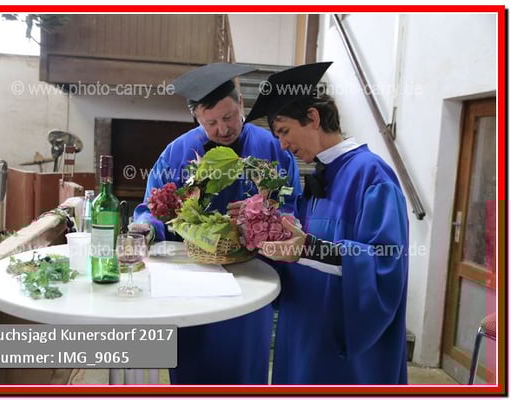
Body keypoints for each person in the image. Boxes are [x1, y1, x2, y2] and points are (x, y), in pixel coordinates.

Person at [132, 63, 302, 384]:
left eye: (229, 117)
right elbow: (151, 208)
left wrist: (263, 212)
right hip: (191, 278)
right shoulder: (178, 152)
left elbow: (292, 210)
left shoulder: (272, 148)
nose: (222, 129)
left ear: (241, 103)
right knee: (193, 368)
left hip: (251, 277)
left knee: (243, 370)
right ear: (196, 118)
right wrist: (147, 227)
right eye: (210, 123)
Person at [245, 62, 409, 384]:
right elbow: (302, 243)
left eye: (284, 131)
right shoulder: (321, 175)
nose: (282, 146)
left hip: (341, 334)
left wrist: (308, 247)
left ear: (313, 117)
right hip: (303, 324)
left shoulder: (372, 175)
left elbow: (384, 261)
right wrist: (259, 221)